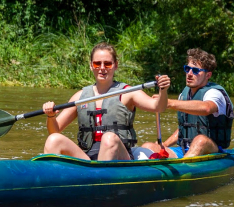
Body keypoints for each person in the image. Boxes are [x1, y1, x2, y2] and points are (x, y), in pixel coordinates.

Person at [42, 42, 170, 161]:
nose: (102, 68)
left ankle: (100, 179)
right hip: (88, 159)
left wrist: (163, 90)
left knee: (109, 138)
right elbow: (55, 130)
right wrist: (51, 116)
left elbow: (158, 107)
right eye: (97, 64)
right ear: (91, 66)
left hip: (119, 157)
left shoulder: (128, 93)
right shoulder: (80, 96)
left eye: (107, 64)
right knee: (53, 139)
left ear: (115, 65)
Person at [141, 48, 234, 158]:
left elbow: (206, 108)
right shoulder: (184, 94)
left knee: (200, 140)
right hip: (184, 149)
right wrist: (164, 145)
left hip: (212, 150)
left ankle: (183, 170)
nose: (189, 74)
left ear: (208, 75)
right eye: (187, 69)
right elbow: (184, 128)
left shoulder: (214, 93)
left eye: (195, 71)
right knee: (148, 146)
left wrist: (169, 103)